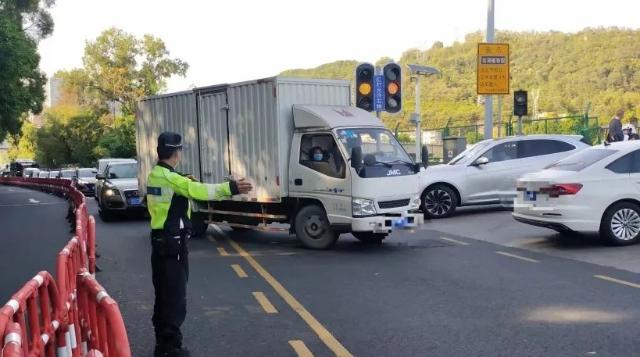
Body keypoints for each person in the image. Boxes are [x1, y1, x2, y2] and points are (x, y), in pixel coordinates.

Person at [147, 132, 252, 357]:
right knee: (175, 298)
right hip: (173, 245)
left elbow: (176, 188)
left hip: (160, 243)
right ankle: (171, 349)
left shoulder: (156, 175)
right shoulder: (173, 180)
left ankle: (161, 345)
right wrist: (231, 188)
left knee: (163, 296)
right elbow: (202, 192)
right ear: (176, 153)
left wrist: (184, 180)